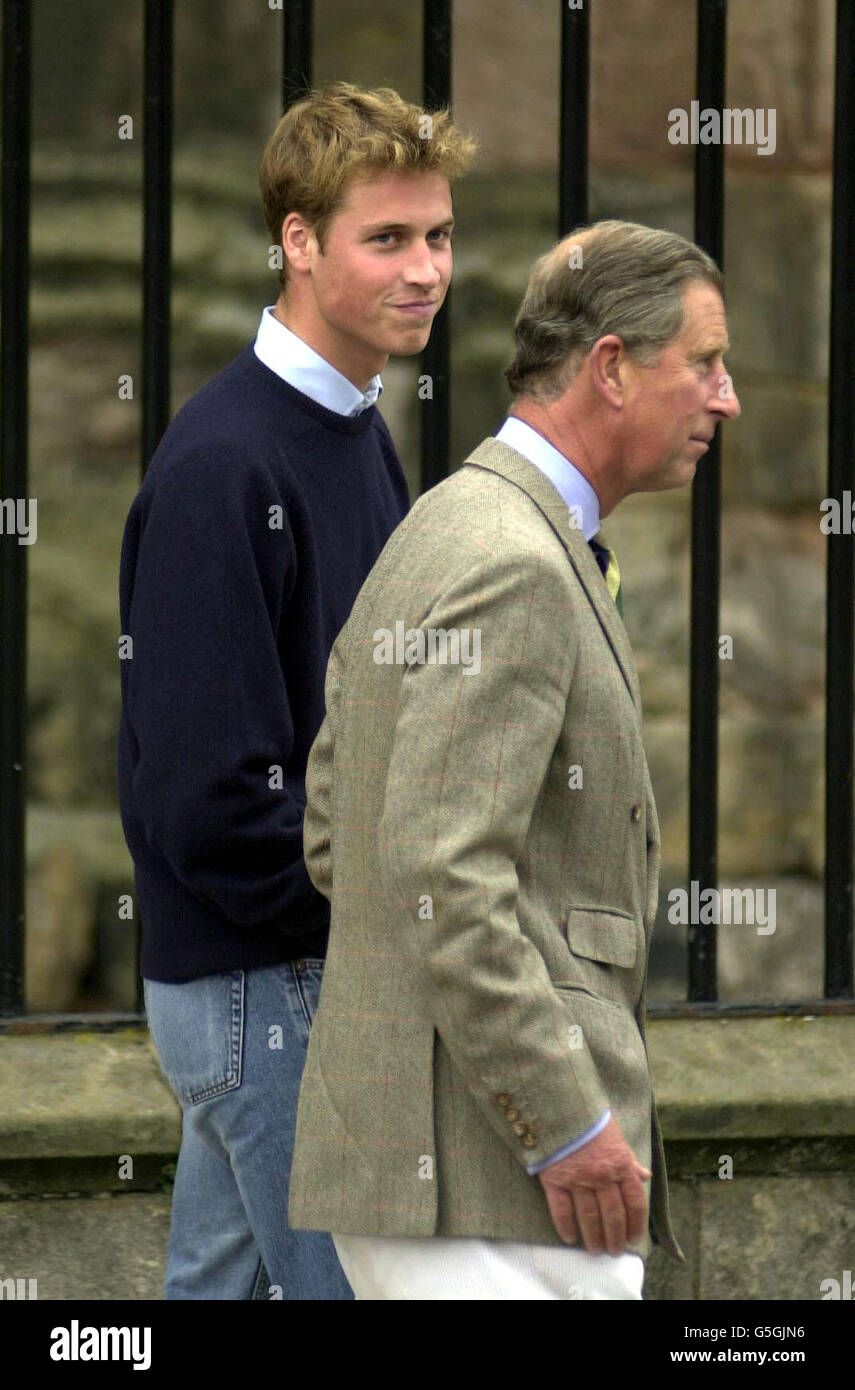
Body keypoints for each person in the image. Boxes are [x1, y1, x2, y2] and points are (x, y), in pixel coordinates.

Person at [288, 219, 741, 1300]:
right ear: (613, 367)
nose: (726, 398)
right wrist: (565, 1121)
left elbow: (331, 826)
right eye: (707, 363)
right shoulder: (514, 562)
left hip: (456, 1180)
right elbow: (441, 873)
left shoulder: (453, 520)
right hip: (494, 1193)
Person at [117, 82, 476, 1300]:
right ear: (300, 242)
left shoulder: (351, 426)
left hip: (281, 978)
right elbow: (211, 799)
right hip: (264, 989)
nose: (425, 269)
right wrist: (379, 930)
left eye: (436, 236)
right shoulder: (228, 461)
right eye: (387, 239)